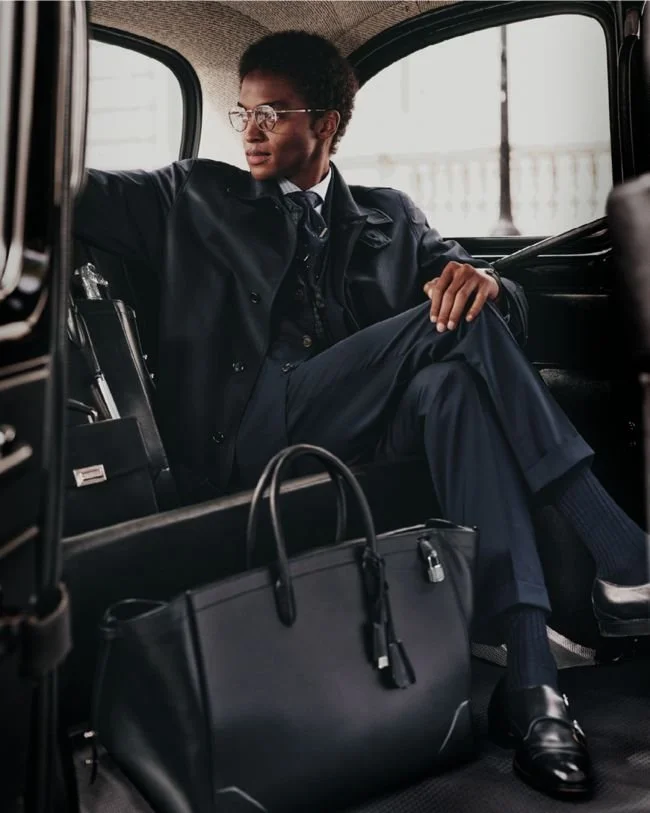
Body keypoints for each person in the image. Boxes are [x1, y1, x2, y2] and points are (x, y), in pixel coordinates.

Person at [75, 30, 650, 799]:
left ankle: (533, 688)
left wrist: (485, 283)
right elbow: (57, 187)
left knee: (454, 381)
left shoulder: (388, 215)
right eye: (242, 114)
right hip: (251, 434)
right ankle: (622, 553)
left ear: (329, 124)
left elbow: (488, 299)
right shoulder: (187, 194)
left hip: (360, 433)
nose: (248, 130)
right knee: (453, 331)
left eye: (272, 114)